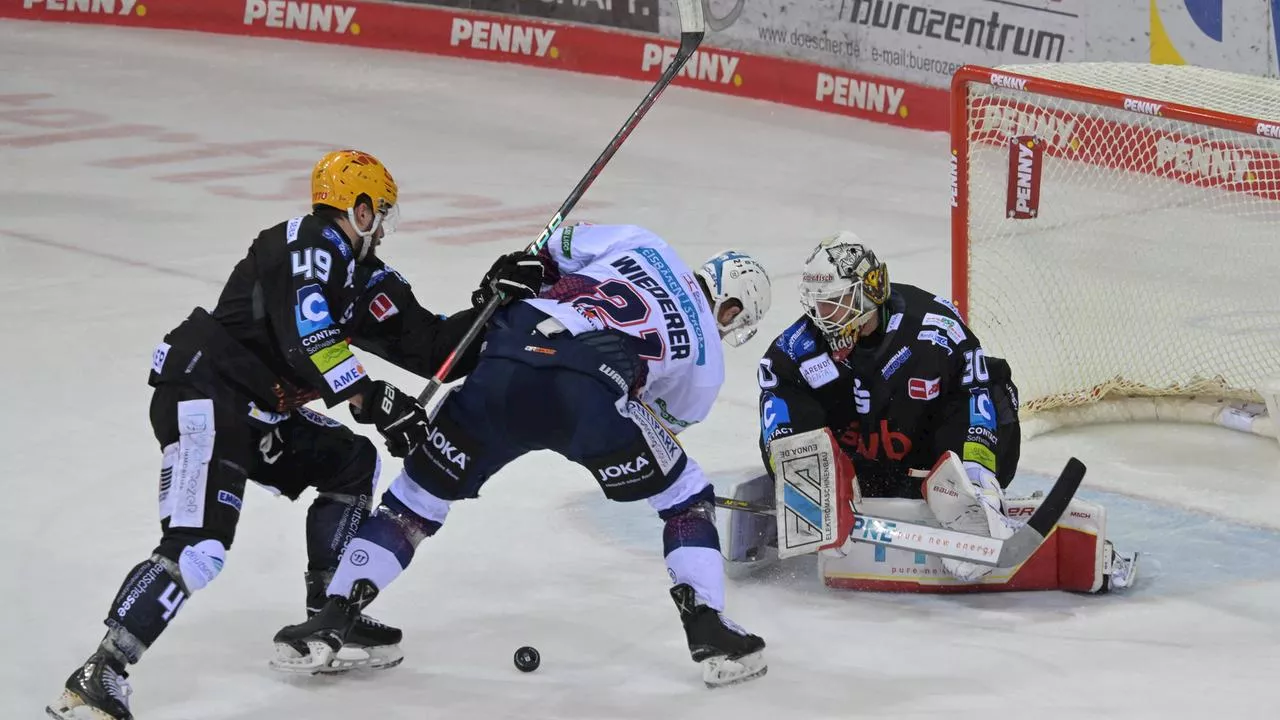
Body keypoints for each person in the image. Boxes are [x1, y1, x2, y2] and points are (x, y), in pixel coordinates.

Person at [47, 150, 546, 720]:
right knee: (200, 546)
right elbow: (307, 339)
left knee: (349, 461)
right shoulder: (304, 245)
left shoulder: (363, 278)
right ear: (357, 211)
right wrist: (374, 398)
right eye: (379, 214)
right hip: (207, 395)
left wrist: (497, 303)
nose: (382, 228)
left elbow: (435, 349)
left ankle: (330, 615)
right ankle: (99, 673)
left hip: (260, 411)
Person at [271, 223, 774, 688]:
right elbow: (656, 421)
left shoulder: (645, 244)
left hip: (504, 359)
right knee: (685, 497)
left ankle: (333, 617)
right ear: (730, 311)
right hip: (590, 390)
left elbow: (546, 254)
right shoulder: (708, 363)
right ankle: (709, 628)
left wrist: (517, 272)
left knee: (412, 503)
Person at [749, 231, 1136, 592]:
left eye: (834, 302)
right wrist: (798, 473)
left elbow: (978, 394)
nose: (823, 314)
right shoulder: (798, 350)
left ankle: (970, 494)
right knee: (790, 414)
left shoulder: (933, 328)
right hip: (865, 471)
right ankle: (817, 486)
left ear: (869, 292)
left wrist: (976, 469)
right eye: (817, 303)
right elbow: (777, 403)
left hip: (930, 461)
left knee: (990, 387)